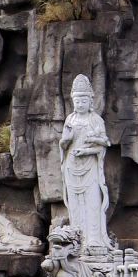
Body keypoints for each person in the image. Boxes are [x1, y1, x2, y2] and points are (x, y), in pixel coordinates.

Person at [59, 75, 112, 252]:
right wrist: (65, 141)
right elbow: (64, 145)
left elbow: (103, 146)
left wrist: (86, 151)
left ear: (90, 100)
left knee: (92, 203)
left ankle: (94, 240)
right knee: (74, 205)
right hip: (71, 167)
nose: (80, 103)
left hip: (89, 167)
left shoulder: (95, 120)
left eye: (83, 99)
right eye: (77, 100)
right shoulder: (70, 120)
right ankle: (77, 239)